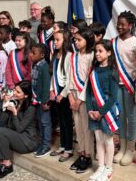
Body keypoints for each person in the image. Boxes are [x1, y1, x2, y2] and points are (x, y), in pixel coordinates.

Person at [0, 82, 38, 180]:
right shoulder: (15, 102)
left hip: (28, 140)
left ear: (26, 95)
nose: (14, 93)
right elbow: (2, 121)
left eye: (18, 92)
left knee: (1, 132)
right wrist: (5, 104)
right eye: (14, 90)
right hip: (17, 136)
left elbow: (19, 129)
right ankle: (1, 162)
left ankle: (7, 165)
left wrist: (14, 113)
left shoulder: (31, 108)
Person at [87, 40, 119, 181]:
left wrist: (101, 112)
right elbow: (88, 92)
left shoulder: (112, 71)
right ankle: (100, 166)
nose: (97, 54)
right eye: (96, 51)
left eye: (100, 51)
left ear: (109, 53)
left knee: (108, 139)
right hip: (93, 107)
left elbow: (112, 97)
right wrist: (89, 109)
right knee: (98, 138)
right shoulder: (93, 70)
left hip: (106, 109)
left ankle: (108, 168)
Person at [112, 11, 136, 166]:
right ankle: (121, 147)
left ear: (130, 25)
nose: (119, 27)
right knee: (120, 115)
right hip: (117, 84)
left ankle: (130, 148)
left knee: (132, 116)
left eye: (123, 24)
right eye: (118, 24)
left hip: (131, 84)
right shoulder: (114, 42)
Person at [68, 28, 95, 173]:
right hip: (73, 93)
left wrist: (80, 99)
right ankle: (82, 152)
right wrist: (71, 96)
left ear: (87, 40)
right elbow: (69, 76)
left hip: (84, 96)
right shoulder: (73, 56)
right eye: (75, 40)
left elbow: (90, 80)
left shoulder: (91, 56)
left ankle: (88, 155)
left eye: (79, 40)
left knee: (86, 127)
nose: (76, 42)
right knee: (77, 127)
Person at [49, 28, 74, 162]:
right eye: (54, 40)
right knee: (61, 120)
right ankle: (63, 145)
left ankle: (69, 148)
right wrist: (52, 89)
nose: (55, 42)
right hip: (56, 92)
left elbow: (70, 78)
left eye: (58, 40)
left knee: (67, 121)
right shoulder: (55, 54)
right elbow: (53, 74)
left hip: (65, 94)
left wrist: (62, 94)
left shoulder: (69, 55)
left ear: (65, 41)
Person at [30, 43, 52, 157]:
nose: (31, 55)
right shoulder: (35, 65)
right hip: (36, 99)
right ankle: (41, 143)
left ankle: (46, 145)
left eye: (34, 53)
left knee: (45, 122)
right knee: (39, 122)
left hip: (43, 101)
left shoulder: (44, 67)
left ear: (42, 55)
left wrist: (44, 101)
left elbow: (46, 87)